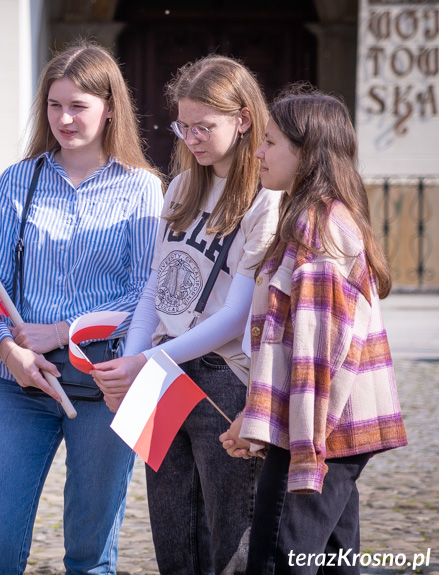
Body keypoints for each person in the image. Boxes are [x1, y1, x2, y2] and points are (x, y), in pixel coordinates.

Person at [0, 41, 164, 574]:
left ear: (109, 107)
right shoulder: (19, 179)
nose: (64, 118)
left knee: (89, 555)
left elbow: (146, 291)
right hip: (20, 386)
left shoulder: (142, 188)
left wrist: (59, 331)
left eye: (78, 105)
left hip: (106, 385)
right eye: (55, 105)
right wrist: (9, 349)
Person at [90, 55, 282, 575]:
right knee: (171, 534)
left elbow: (236, 315)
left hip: (222, 378)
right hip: (160, 371)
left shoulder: (265, 199)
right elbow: (154, 285)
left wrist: (146, 361)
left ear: (243, 119)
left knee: (229, 540)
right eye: (184, 126)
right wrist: (132, 365)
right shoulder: (180, 186)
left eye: (205, 127)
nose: (192, 138)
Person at [219, 87, 407, 574]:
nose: (257, 151)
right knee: (332, 564)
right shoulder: (316, 218)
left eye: (271, 141)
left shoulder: (318, 231)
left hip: (317, 434)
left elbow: (315, 369)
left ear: (306, 154)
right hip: (332, 432)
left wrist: (262, 427)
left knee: (279, 564)